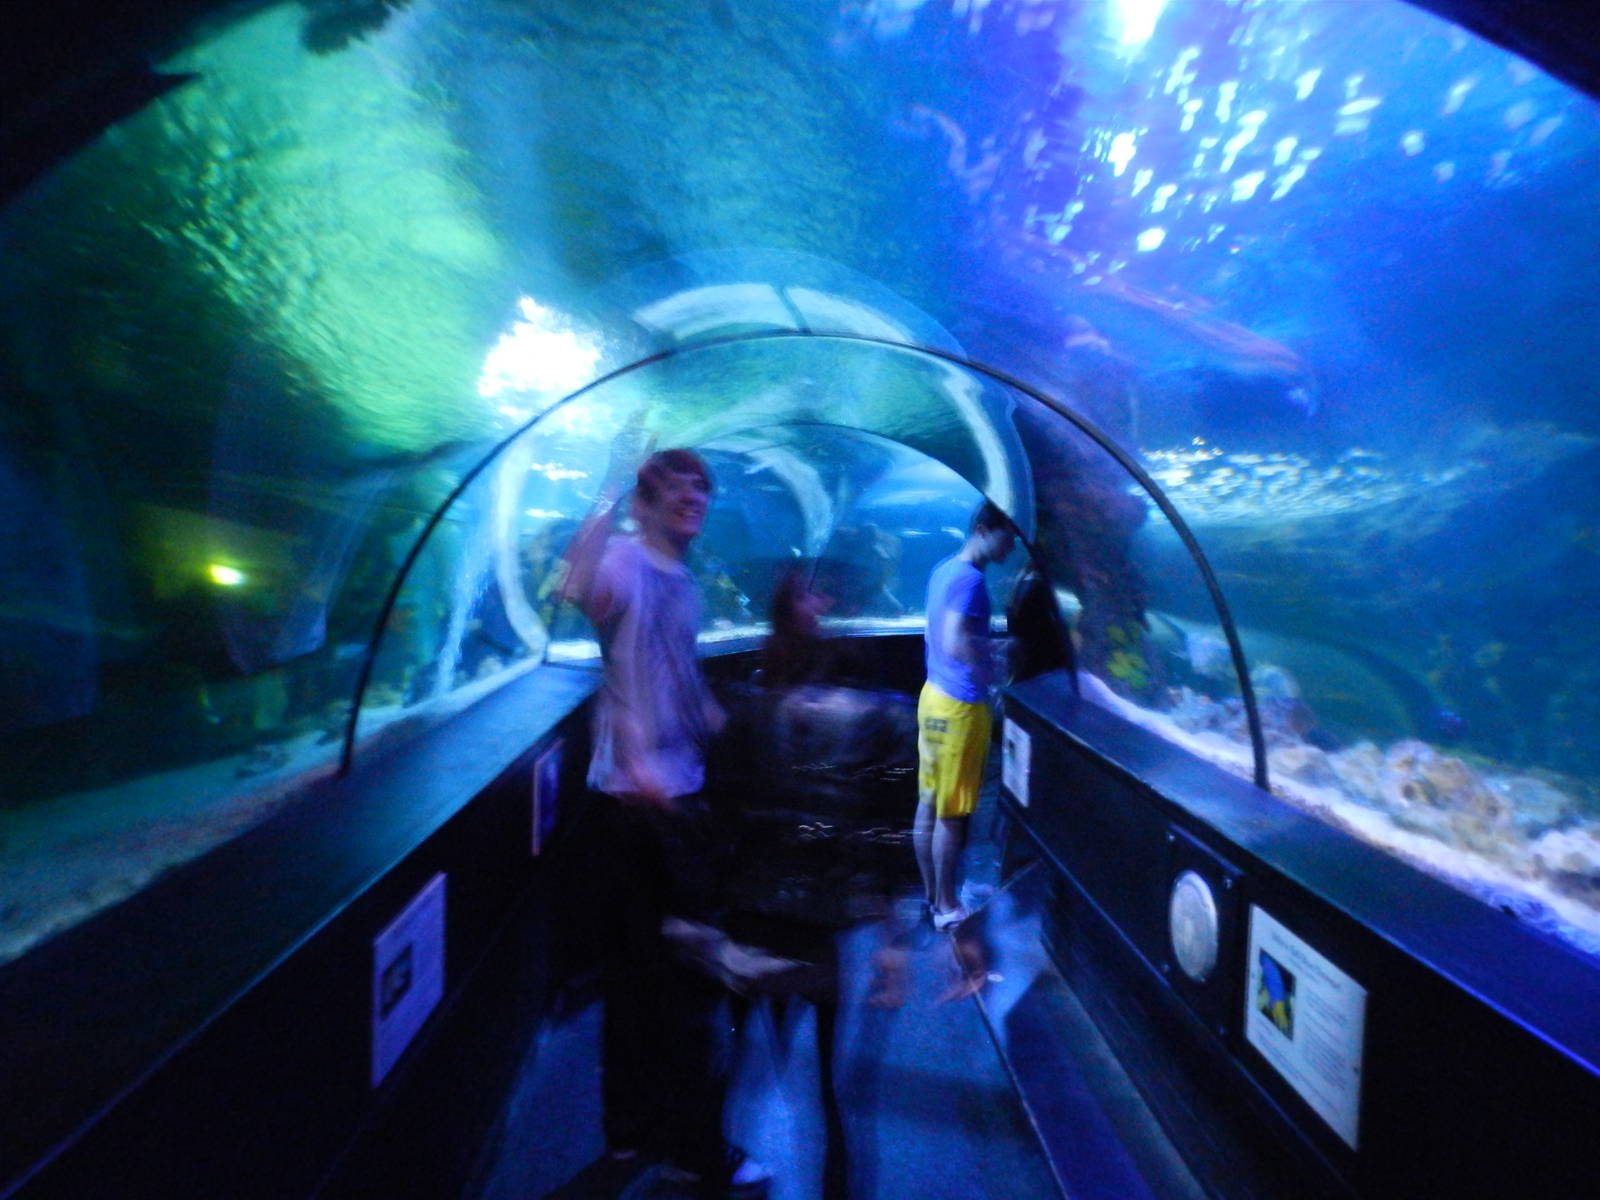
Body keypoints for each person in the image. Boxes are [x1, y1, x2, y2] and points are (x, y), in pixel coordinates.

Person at [559, 445, 770, 1197]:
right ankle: (691, 1151)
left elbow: (663, 674)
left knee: (642, 982)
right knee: (686, 990)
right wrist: (610, 486)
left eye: (703, 486)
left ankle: (628, 1137)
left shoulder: (682, 580)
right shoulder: (625, 560)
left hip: (677, 795)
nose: (696, 495)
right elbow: (575, 586)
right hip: (637, 809)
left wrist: (713, 719)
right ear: (647, 501)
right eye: (678, 485)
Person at [915, 500, 1015, 931]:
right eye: (1006, 536)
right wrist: (991, 667)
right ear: (982, 528)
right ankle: (947, 905)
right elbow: (956, 640)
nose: (1011, 546)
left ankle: (930, 895)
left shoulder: (943, 570)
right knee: (952, 815)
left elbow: (934, 634)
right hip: (960, 705)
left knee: (928, 804)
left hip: (933, 695)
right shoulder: (971, 580)